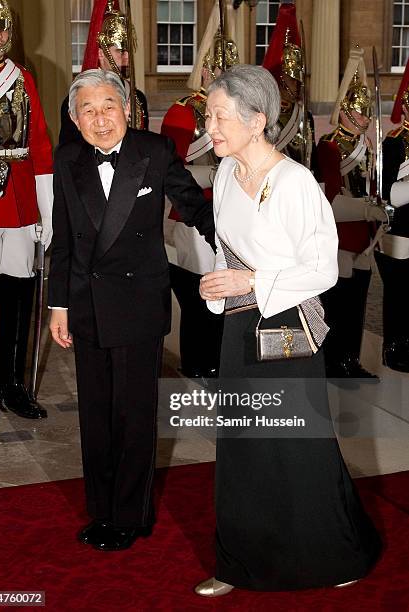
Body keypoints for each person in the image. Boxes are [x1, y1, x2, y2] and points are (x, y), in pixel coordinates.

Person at [195, 64, 381, 596]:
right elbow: (226, 247)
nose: (210, 126)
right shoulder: (227, 173)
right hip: (237, 328)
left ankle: (336, 553)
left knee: (298, 448)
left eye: (220, 116)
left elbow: (322, 271)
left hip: (287, 332)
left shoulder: (295, 182)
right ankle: (236, 563)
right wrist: (220, 284)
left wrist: (251, 279)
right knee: (242, 447)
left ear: (258, 121)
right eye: (210, 114)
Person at [48, 69, 215, 552]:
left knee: (134, 416)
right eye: (87, 111)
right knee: (96, 415)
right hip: (85, 303)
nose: (100, 120)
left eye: (108, 107)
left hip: (138, 302)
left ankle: (130, 514)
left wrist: (239, 249)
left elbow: (195, 207)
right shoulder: (67, 159)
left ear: (128, 109)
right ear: (75, 120)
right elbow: (64, 240)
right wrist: (57, 305)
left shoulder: (154, 151)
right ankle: (102, 509)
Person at [0, 0, 53, 428]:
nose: (1, 35)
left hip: (21, 203)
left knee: (19, 301)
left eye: (6, 27)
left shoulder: (22, 77)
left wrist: (48, 210)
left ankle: (12, 385)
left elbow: (40, 145)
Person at [160, 13, 239, 378]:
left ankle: (219, 363)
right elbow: (170, 172)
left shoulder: (238, 112)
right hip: (193, 218)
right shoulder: (182, 112)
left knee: (226, 293)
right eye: (218, 71)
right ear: (205, 72)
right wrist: (216, 173)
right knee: (200, 297)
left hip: (231, 214)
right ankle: (198, 365)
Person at [317, 46, 387, 379]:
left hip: (365, 235)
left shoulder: (369, 147)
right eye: (360, 112)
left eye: (367, 112)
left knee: (358, 302)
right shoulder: (330, 145)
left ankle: (350, 359)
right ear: (344, 110)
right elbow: (330, 198)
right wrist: (367, 208)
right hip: (342, 234)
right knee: (338, 303)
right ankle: (333, 361)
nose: (365, 118)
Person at [59, 0, 148, 145]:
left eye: (129, 52)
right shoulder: (75, 101)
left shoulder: (138, 98)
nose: (127, 57)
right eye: (120, 51)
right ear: (101, 54)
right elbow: (70, 153)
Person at [375, 57, 409, 372]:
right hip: (399, 228)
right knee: (398, 293)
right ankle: (394, 348)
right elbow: (387, 191)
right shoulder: (395, 143)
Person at [262, 0, 317, 173]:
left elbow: (311, 157)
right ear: (280, 80)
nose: (298, 85)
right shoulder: (265, 115)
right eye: (293, 80)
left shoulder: (304, 115)